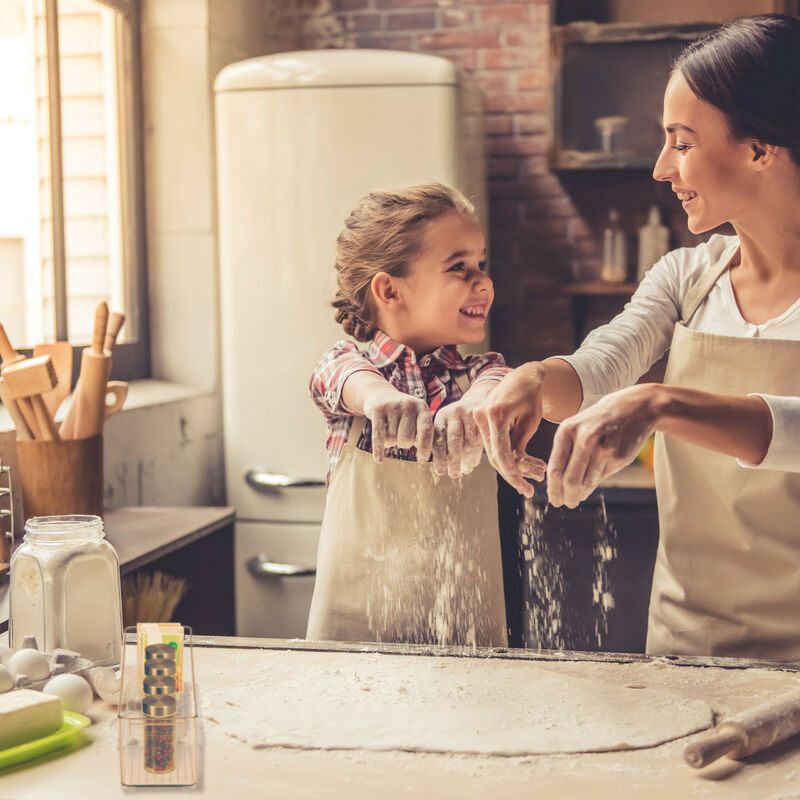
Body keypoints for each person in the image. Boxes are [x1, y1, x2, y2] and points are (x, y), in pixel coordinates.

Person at [475, 14, 800, 660]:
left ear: (760, 148)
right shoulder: (688, 277)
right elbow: (602, 363)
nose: (660, 168)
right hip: (688, 636)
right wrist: (533, 382)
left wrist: (661, 404)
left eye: (681, 143)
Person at [305, 183, 545, 647]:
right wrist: (377, 396)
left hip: (464, 633)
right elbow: (337, 376)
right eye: (460, 268)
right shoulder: (352, 369)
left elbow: (499, 385)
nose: (483, 282)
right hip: (356, 636)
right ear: (389, 289)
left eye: (482, 265)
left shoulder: (483, 374)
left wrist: (476, 406)